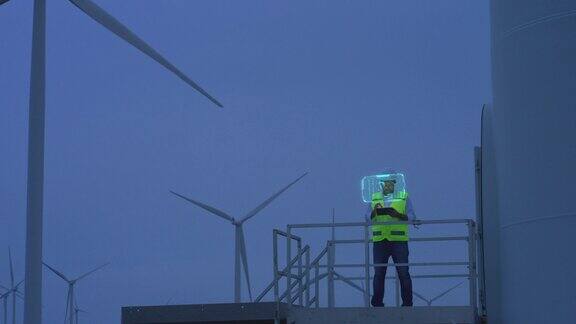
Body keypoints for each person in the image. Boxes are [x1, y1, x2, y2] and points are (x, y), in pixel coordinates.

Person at [367, 176, 419, 307]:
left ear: (395, 184)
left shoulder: (403, 197)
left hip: (398, 241)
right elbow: (367, 218)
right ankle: (377, 303)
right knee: (379, 273)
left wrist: (397, 214)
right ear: (381, 184)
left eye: (391, 184)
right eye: (386, 184)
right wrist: (375, 212)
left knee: (403, 273)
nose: (388, 186)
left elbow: (412, 216)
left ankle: (407, 303)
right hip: (380, 241)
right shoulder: (374, 198)